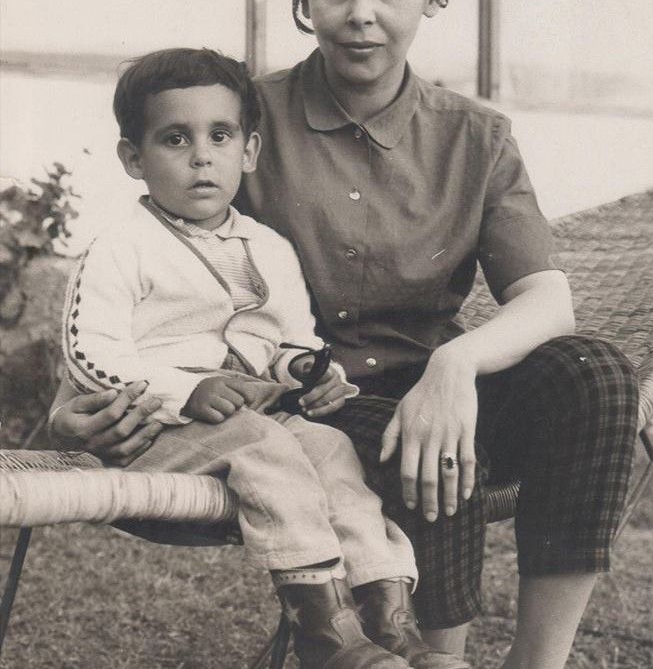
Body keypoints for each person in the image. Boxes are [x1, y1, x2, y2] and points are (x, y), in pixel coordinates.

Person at [50, 0, 639, 666]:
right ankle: (430, 657)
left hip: (429, 380)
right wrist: (71, 408)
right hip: (310, 405)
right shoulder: (233, 117)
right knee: (426, 444)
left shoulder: (474, 136)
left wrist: (453, 367)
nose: (361, 12)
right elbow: (158, 282)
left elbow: (547, 298)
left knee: (595, 373)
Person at [58, 46, 470, 669]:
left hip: (253, 423)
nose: (202, 156)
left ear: (248, 151)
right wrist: (182, 391)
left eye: (220, 136)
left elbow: (291, 341)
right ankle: (325, 633)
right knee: (266, 446)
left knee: (331, 450)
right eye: (175, 139)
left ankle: (389, 625)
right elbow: (90, 352)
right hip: (157, 428)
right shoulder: (122, 247)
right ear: (133, 158)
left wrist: (306, 370)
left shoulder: (268, 246)